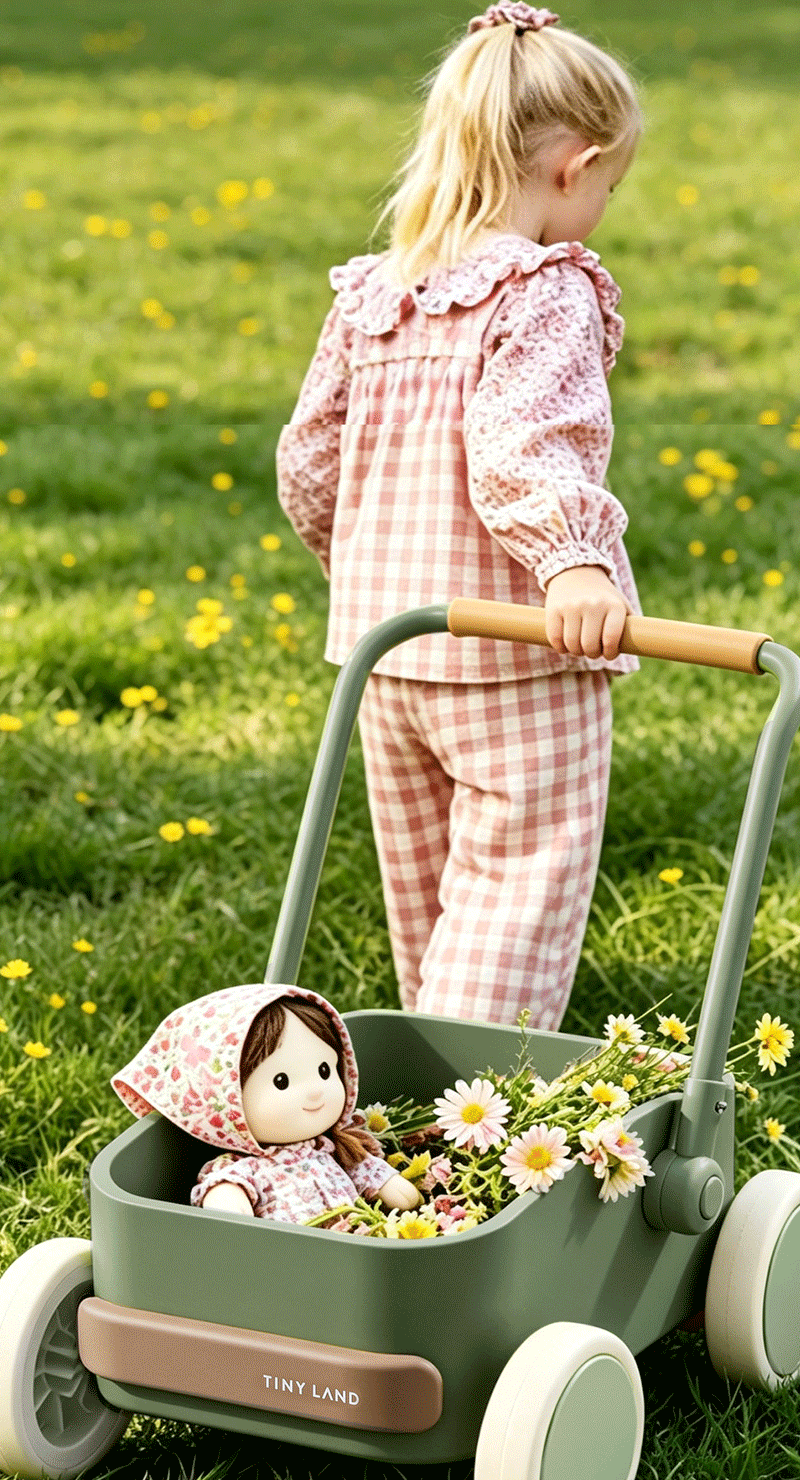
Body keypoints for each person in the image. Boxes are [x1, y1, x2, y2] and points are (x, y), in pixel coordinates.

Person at [275, 2, 642, 1033]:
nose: (604, 205)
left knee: (433, 901)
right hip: (515, 651)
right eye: (612, 186)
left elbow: (309, 458)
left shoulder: (375, 293)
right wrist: (572, 562)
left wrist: (358, 566)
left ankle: (412, 1093)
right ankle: (469, 1114)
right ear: (578, 164)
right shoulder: (543, 291)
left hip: (385, 655)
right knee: (515, 894)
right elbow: (528, 436)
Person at [111, 984, 423, 1225]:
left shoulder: (332, 1149)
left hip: (359, 1242)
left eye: (325, 1071)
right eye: (282, 1082)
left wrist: (389, 1184)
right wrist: (229, 1202)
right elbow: (227, 1194)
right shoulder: (242, 1167)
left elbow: (365, 1170)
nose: (316, 1091)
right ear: (225, 1100)